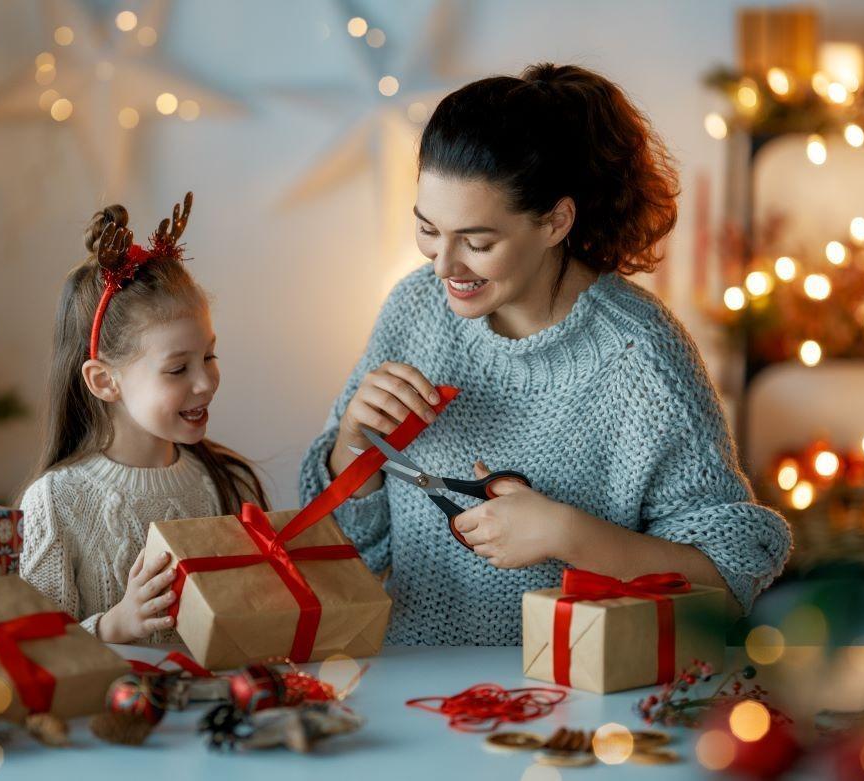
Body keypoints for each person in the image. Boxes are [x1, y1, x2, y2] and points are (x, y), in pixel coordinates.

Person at [299, 63, 791, 646]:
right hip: (413, 692)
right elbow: (344, 551)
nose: (443, 266)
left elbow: (731, 574)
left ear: (556, 221)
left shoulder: (641, 357)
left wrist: (567, 534)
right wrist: (352, 445)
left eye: (478, 242)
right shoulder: (415, 308)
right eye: (429, 230)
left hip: (578, 710)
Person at [21, 196, 267, 644]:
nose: (206, 383)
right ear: (103, 381)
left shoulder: (229, 485)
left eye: (209, 356)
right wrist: (115, 626)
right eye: (178, 369)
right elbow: (37, 649)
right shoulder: (54, 505)